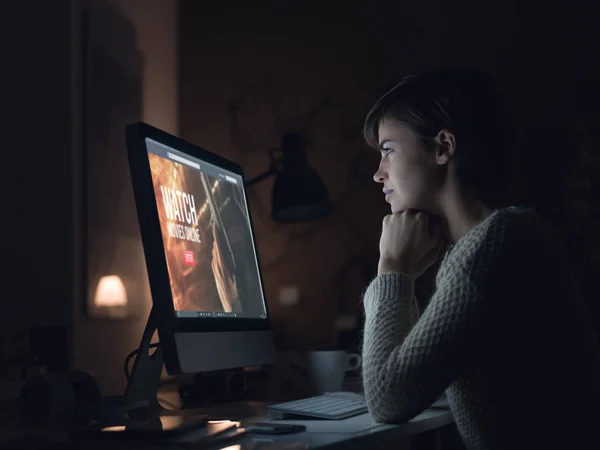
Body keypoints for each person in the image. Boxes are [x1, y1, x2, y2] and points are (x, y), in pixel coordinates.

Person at [361, 68, 600, 450]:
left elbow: (389, 399)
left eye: (388, 150)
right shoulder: (496, 237)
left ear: (443, 147)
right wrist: (401, 276)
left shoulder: (494, 248)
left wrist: (392, 268)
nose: (378, 174)